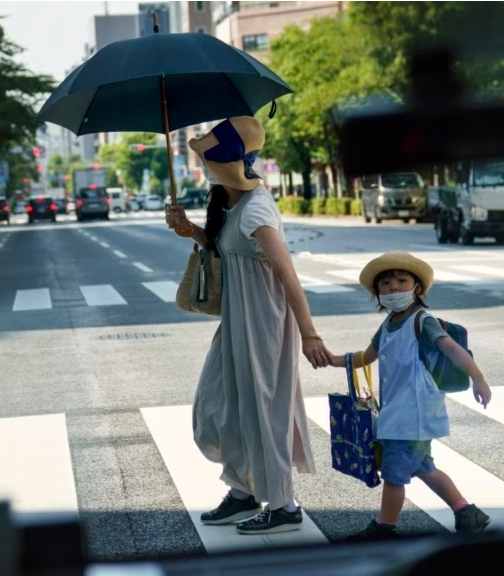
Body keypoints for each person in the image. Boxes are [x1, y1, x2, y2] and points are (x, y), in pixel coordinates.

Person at [164, 116, 333, 535]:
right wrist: (192, 232)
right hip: (238, 319)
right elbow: (226, 251)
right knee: (219, 404)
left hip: (265, 322)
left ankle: (283, 506)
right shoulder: (229, 202)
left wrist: (309, 333)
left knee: (264, 411)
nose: (204, 167)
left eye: (208, 160)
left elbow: (288, 274)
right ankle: (242, 491)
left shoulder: (257, 207)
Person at [328, 251, 493, 539]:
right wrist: (331, 359)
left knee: (394, 475)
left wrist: (478, 378)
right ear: (378, 293)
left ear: (417, 288)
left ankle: (384, 528)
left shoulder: (421, 320)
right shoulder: (388, 325)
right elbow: (366, 356)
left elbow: (451, 348)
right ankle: (467, 512)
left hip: (414, 413)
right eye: (386, 284)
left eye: (402, 280)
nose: (393, 288)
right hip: (399, 412)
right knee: (424, 467)